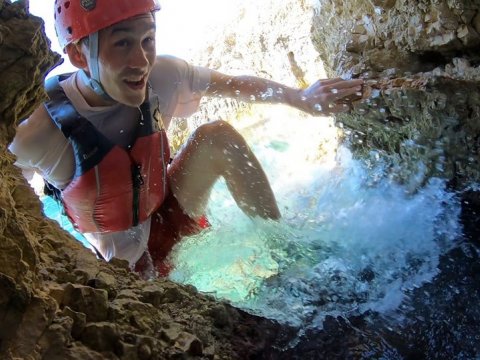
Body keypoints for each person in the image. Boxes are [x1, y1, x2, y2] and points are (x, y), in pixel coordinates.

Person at [9, 0, 363, 277]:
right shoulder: (38, 132)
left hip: (172, 216)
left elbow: (234, 85)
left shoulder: (163, 75)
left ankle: (286, 254)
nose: (141, 60)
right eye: (122, 44)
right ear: (77, 55)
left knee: (217, 136)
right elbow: (17, 209)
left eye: (148, 39)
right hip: (124, 271)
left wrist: (302, 98)